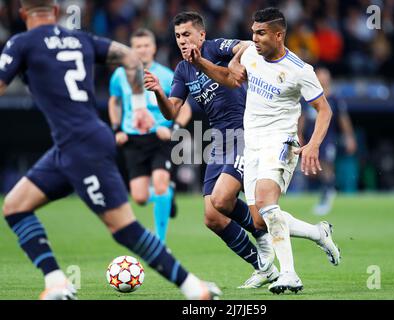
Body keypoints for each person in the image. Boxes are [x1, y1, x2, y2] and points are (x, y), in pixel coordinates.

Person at [0, 0, 219, 300]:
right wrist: (141, 107)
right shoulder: (82, 38)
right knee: (14, 206)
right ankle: (57, 283)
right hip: (72, 145)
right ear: (55, 11)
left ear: (23, 13)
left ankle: (193, 288)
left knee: (125, 230)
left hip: (83, 146)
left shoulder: (21, 43)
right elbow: (129, 57)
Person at [181, 7, 341, 294]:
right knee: (260, 219)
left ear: (279, 35)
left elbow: (324, 109)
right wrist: (202, 63)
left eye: (261, 33)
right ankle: (319, 233)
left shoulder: (300, 70)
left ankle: (289, 274)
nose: (253, 38)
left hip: (280, 142)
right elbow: (228, 79)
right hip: (251, 143)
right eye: (253, 32)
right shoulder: (251, 55)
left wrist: (313, 144)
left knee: (267, 203)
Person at [144, 11, 278, 289]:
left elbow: (246, 45)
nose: (182, 41)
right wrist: (158, 90)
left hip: (243, 132)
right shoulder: (182, 69)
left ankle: (265, 236)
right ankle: (263, 265)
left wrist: (233, 61)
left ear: (201, 35)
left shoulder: (215, 47)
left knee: (222, 199)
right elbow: (171, 112)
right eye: (178, 36)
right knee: (212, 217)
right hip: (218, 140)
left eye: (187, 35)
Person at [108, 28, 191, 243]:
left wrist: (173, 130)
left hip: (160, 137)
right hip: (134, 139)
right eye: (138, 46)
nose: (142, 50)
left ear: (153, 48)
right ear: (131, 50)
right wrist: (117, 128)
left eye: (146, 45)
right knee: (140, 197)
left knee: (160, 183)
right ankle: (166, 197)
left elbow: (186, 108)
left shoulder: (165, 75)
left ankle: (160, 243)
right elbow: (114, 101)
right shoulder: (120, 75)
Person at [299, 67, 357, 215]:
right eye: (321, 76)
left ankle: (328, 193)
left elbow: (344, 120)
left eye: (326, 76)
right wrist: (299, 134)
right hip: (311, 139)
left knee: (326, 166)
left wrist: (349, 137)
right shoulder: (308, 98)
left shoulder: (334, 99)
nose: (323, 79)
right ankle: (328, 189)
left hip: (327, 139)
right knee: (313, 170)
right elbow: (302, 119)